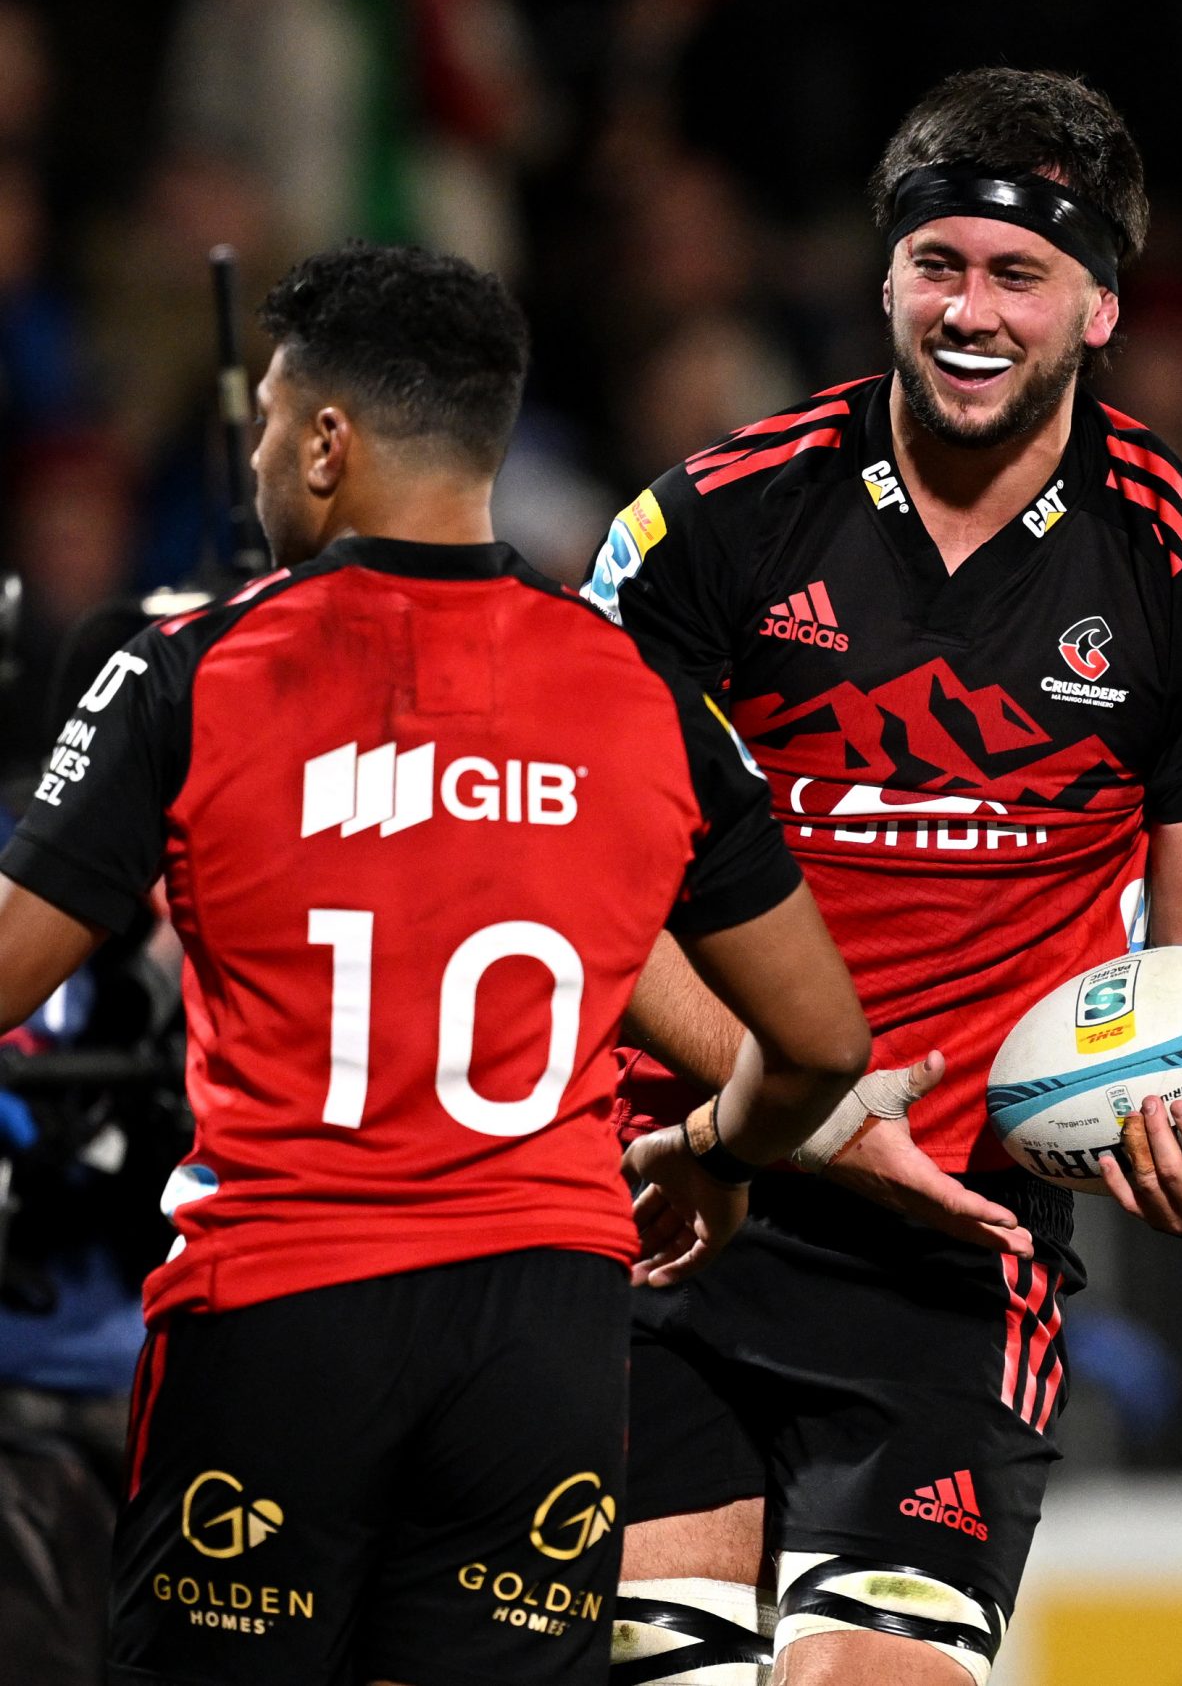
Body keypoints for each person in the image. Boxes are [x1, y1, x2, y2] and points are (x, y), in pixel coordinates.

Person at [0, 241, 876, 1686]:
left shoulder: (188, 673)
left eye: (272, 423)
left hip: (278, 1316)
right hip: (543, 1340)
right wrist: (715, 1152)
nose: (260, 458)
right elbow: (825, 1041)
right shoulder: (647, 697)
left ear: (327, 442)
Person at [580, 68, 1182, 1686]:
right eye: (939, 265)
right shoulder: (709, 526)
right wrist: (802, 1106)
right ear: (885, 275)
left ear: (1101, 306)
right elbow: (584, 885)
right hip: (678, 1195)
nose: (971, 312)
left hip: (955, 1254)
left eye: (1019, 273)